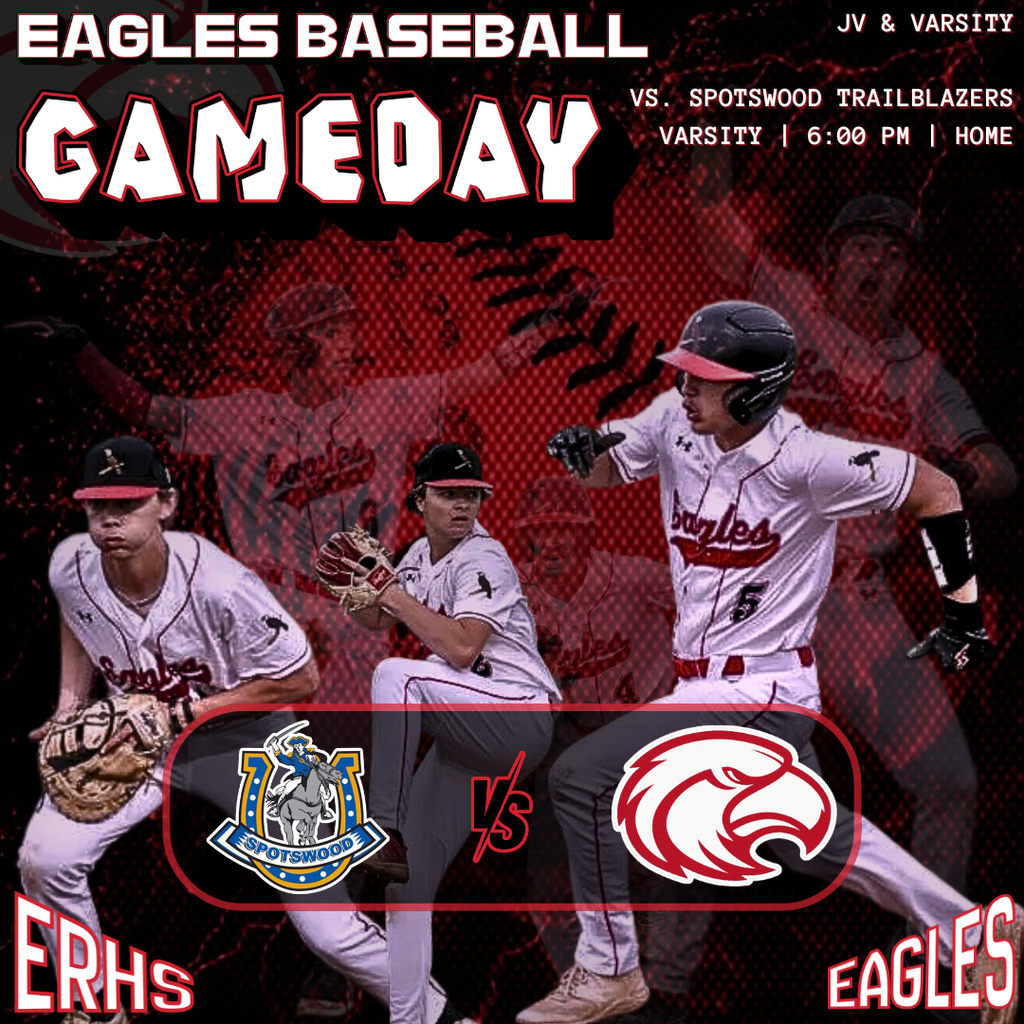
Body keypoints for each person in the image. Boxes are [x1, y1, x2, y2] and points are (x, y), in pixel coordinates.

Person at [514, 301, 1021, 1024]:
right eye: (683, 375)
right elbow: (606, 467)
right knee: (806, 839)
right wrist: (582, 455)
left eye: (704, 379)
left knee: (582, 776)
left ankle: (611, 972)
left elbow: (936, 490)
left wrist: (963, 612)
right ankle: (974, 929)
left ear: (754, 389)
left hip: (762, 686)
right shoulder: (672, 421)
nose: (686, 390)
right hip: (707, 684)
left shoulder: (811, 460)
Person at [16, 436, 464, 1024]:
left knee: (327, 932)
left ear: (167, 505)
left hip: (249, 741)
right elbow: (76, 613)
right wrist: (71, 701)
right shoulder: (70, 564)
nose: (111, 519)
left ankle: (440, 1015)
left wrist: (188, 713)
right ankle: (97, 1005)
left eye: (128, 504)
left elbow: (299, 678)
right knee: (45, 858)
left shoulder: (220, 586)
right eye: (100, 507)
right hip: (140, 740)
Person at [689, 166, 1017, 891]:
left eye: (895, 254)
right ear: (834, 258)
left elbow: (999, 468)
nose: (878, 263)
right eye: (864, 246)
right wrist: (708, 180)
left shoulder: (921, 372)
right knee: (725, 788)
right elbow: (721, 236)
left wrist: (959, 472)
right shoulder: (792, 306)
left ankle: (942, 970)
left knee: (949, 779)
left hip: (856, 601)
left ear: (909, 276)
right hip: (765, 592)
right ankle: (665, 988)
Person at [9, 282, 564, 703]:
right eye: (334, 331)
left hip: (355, 613)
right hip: (267, 613)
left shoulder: (384, 402)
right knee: (269, 771)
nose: (351, 342)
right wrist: (83, 353)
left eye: (349, 328)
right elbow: (145, 409)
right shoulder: (244, 417)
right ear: (298, 346)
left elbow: (482, 372)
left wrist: (544, 330)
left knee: (352, 759)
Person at [315, 442, 559, 1024]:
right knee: (405, 886)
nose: (462, 504)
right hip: (465, 734)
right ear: (420, 498)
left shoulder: (485, 558)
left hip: (517, 715)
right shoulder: (420, 555)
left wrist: (390, 591)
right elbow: (380, 614)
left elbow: (459, 646)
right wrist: (353, 592)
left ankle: (384, 827)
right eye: (448, 493)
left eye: (471, 494)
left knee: (397, 674)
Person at [516, 477, 704, 1023]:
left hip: (647, 730)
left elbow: (706, 602)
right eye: (538, 532)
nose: (551, 542)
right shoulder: (515, 594)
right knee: (552, 870)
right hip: (570, 739)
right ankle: (590, 983)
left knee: (673, 864)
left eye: (564, 530)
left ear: (589, 533)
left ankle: (668, 986)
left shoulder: (636, 576)